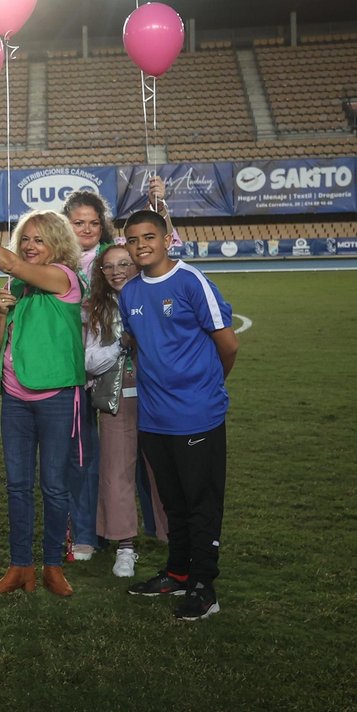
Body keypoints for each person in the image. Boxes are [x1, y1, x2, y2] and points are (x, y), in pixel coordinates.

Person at [119, 210, 239, 621]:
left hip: (197, 416)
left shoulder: (191, 281)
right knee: (173, 504)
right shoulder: (130, 292)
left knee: (201, 504)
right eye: (133, 240)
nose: (141, 246)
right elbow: (138, 345)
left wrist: (207, 388)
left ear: (167, 238)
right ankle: (177, 571)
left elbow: (229, 345)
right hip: (153, 418)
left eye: (149, 236)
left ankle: (204, 587)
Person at [0, 208, 85, 597]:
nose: (30, 246)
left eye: (40, 239)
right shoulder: (24, 290)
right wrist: (0, 316)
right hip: (15, 398)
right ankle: (19, 567)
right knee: (16, 486)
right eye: (26, 239)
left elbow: (10, 263)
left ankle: (52, 566)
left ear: (58, 245)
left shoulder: (64, 278)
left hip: (56, 397)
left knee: (54, 486)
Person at [82, 243, 169, 578]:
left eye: (124, 264)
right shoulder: (96, 308)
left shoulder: (158, 295)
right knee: (116, 474)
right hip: (118, 400)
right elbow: (89, 362)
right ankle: (125, 546)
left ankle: (177, 539)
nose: (117, 271)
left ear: (137, 265)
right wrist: (122, 344)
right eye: (109, 266)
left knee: (165, 473)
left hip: (160, 397)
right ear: (101, 273)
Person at [61, 189, 115, 562]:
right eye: (79, 222)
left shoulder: (113, 260)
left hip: (108, 367)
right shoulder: (54, 259)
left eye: (94, 223)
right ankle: (80, 532)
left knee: (108, 457)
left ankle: (106, 530)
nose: (87, 229)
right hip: (65, 368)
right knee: (75, 455)